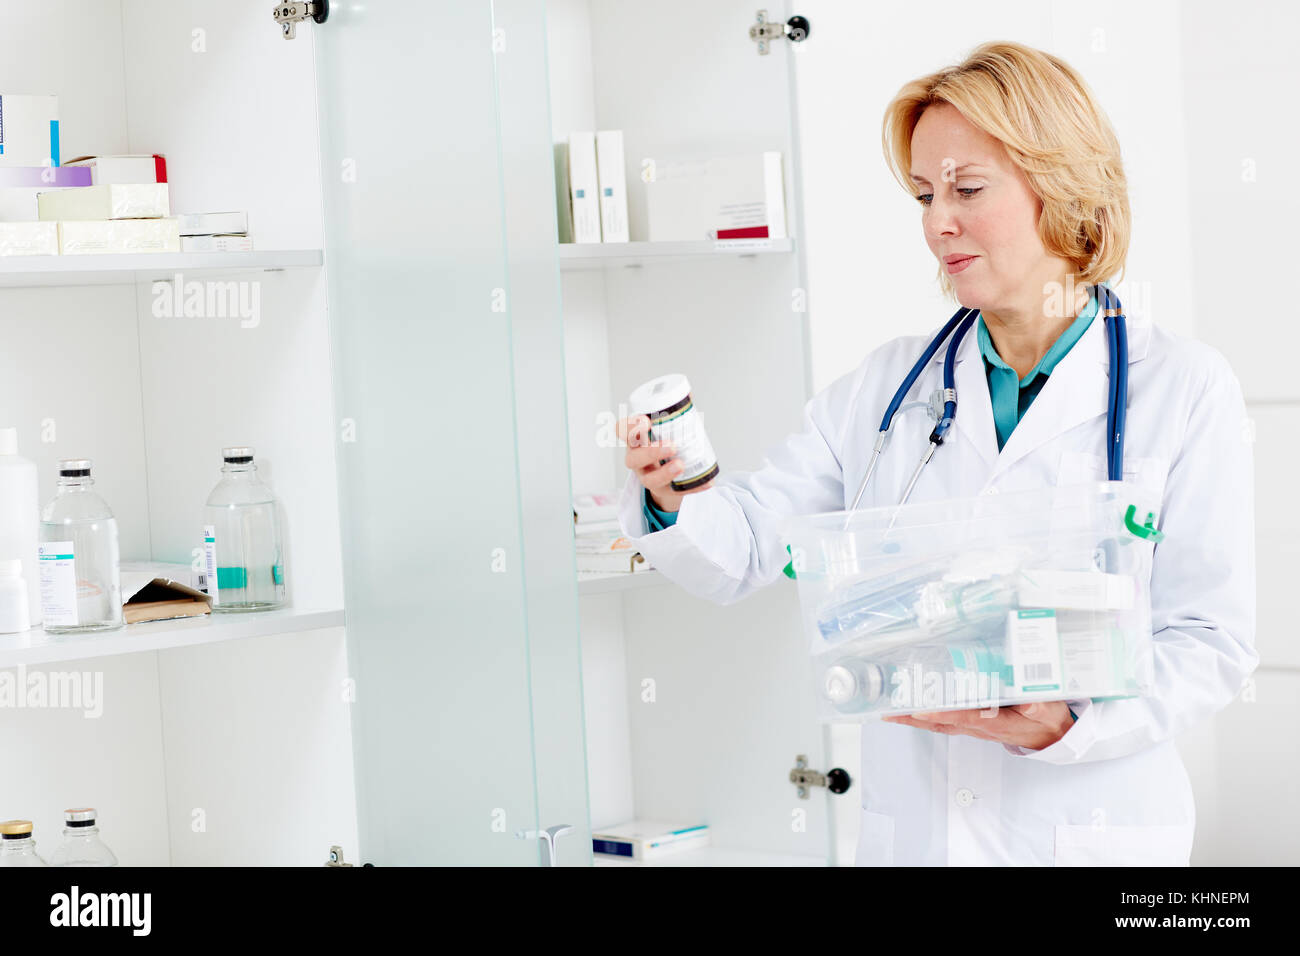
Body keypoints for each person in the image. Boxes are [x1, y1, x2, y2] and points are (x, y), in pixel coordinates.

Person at [614, 41, 1256, 866]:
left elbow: (1210, 638)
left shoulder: (1183, 388)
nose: (936, 222)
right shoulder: (886, 390)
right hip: (916, 836)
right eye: (923, 193)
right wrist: (677, 492)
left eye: (966, 188)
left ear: (1060, 185)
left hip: (1088, 828)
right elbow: (746, 550)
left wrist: (1069, 722)